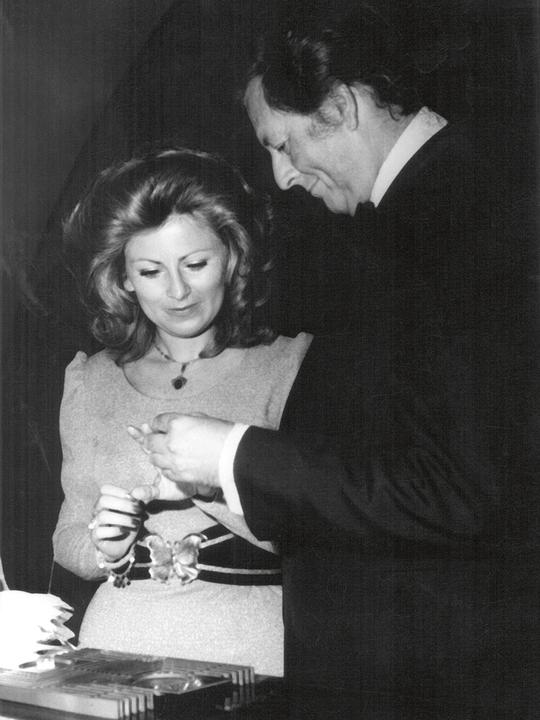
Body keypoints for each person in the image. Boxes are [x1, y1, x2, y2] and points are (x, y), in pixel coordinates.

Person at [137, 9, 539, 720]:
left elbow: (460, 488)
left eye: (283, 144)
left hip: (434, 679)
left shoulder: (454, 224)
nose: (282, 176)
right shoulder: (439, 206)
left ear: (341, 106)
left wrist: (234, 454)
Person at [52, 147, 312, 677]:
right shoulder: (90, 380)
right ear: (123, 279)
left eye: (195, 264)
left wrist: (210, 486)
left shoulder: (290, 366)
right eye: (150, 271)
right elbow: (66, 538)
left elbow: (319, 535)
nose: (176, 291)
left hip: (248, 647)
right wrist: (106, 547)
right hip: (114, 642)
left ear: (233, 258)